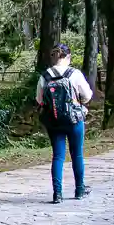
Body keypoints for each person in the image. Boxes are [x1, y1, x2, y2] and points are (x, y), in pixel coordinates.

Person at [36, 43, 93, 203]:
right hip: (74, 120)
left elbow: (39, 100)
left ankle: (57, 194)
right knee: (77, 154)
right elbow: (87, 95)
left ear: (54, 57)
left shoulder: (45, 75)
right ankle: (80, 190)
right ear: (68, 57)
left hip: (53, 120)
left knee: (58, 156)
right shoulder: (74, 74)